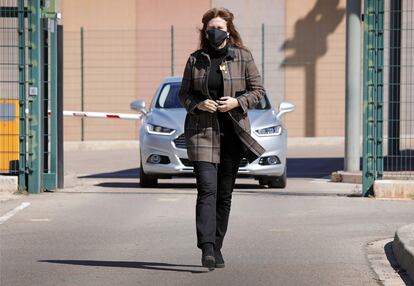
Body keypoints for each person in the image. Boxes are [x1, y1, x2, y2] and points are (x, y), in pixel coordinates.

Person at [178, 7, 266, 270]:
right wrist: (198, 104)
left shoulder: (242, 56)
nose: (215, 31)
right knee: (207, 189)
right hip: (202, 133)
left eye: (220, 27)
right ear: (205, 31)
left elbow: (258, 90)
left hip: (232, 135)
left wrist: (237, 102)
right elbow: (184, 94)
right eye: (211, 27)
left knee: (224, 195)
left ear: (229, 31)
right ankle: (206, 247)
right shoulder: (195, 60)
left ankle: (217, 246)